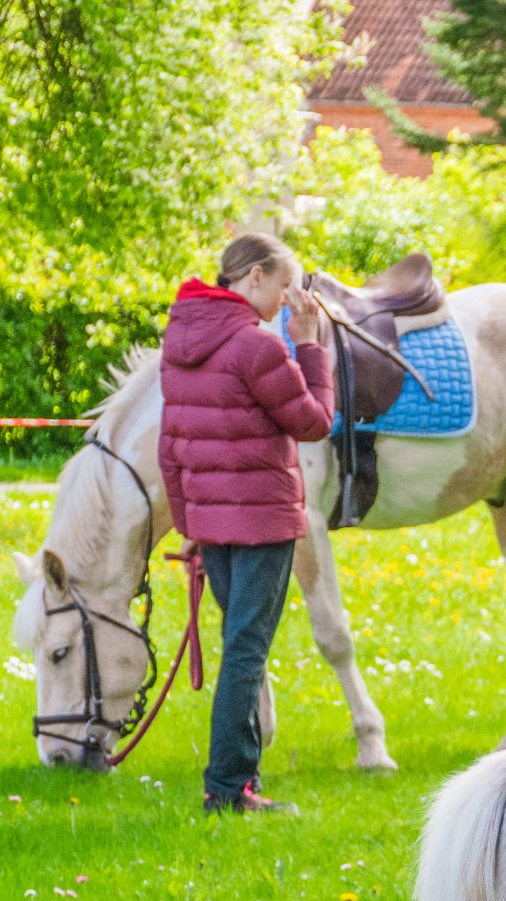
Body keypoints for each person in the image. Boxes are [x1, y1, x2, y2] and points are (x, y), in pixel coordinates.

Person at [157, 230, 335, 816]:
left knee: (238, 648)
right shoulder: (257, 348)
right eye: (284, 286)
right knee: (246, 652)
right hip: (263, 521)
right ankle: (229, 789)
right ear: (254, 276)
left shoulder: (180, 341)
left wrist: (191, 526)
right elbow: (314, 422)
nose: (287, 300)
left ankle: (238, 781)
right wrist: (309, 346)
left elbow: (170, 448)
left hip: (214, 525)